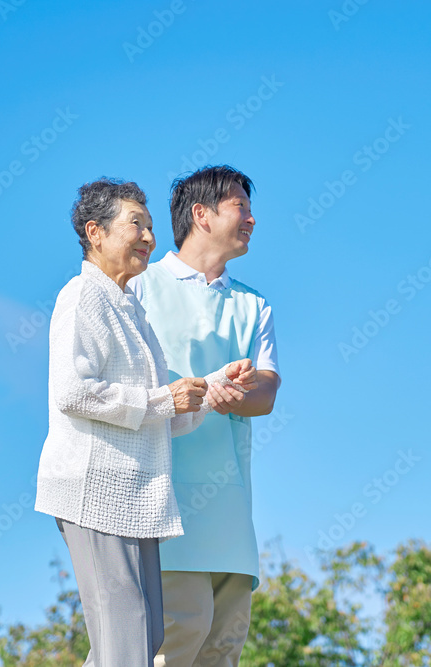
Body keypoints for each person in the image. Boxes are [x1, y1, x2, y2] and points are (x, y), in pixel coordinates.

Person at [34, 177, 257, 667]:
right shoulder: (81, 296)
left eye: (151, 227)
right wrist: (163, 401)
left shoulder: (132, 310)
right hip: (94, 490)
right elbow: (74, 392)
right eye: (136, 224)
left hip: (136, 499)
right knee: (128, 637)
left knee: (144, 635)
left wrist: (209, 388)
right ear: (95, 233)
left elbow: (163, 414)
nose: (150, 238)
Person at [128, 165, 281, 667]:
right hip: (163, 501)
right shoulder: (140, 287)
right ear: (201, 214)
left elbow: (268, 391)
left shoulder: (254, 305)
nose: (252, 219)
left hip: (233, 512)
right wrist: (210, 385)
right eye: (241, 206)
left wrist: (237, 388)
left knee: (222, 649)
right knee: (171, 641)